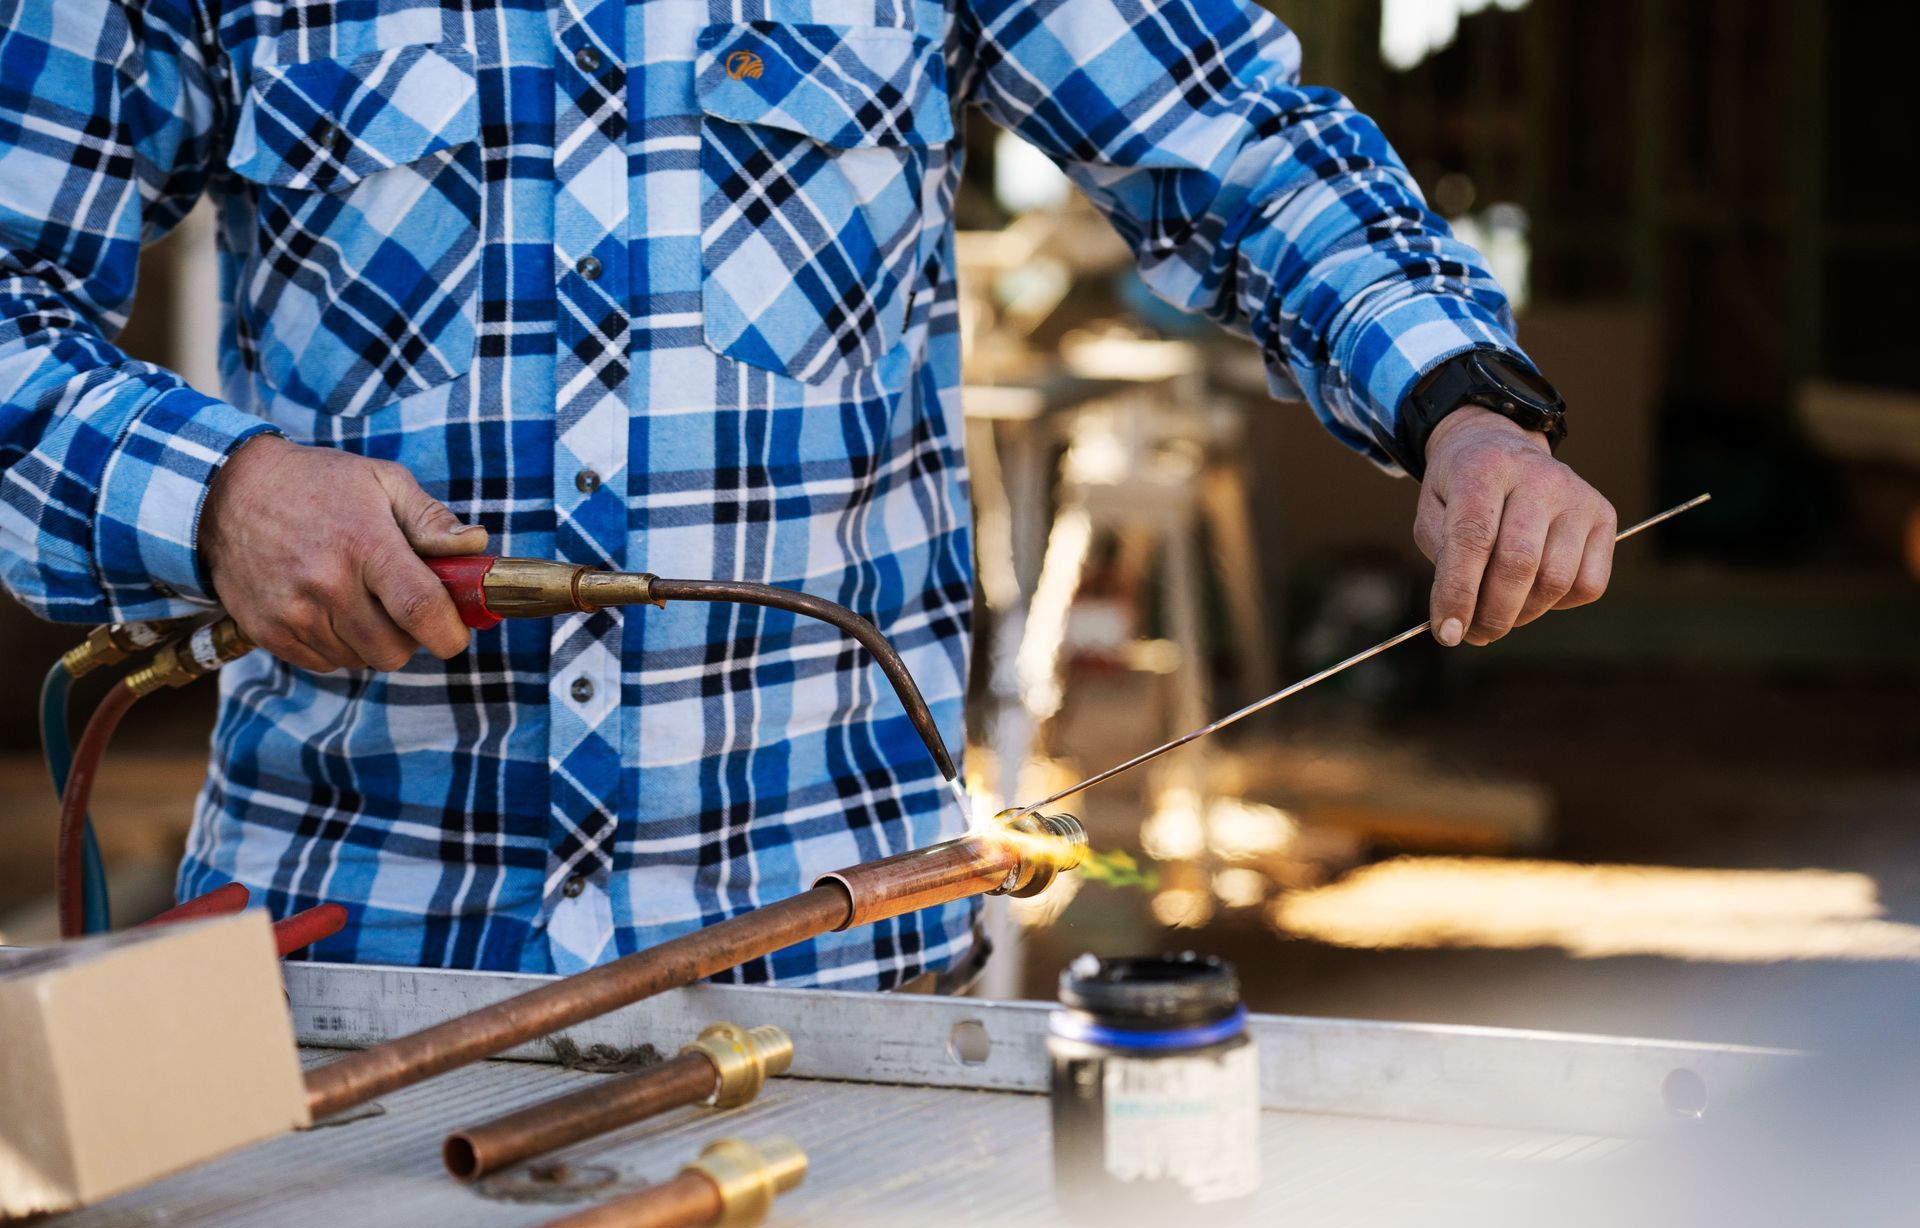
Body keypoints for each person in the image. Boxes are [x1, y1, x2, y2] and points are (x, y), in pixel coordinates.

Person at [0, 0, 1614, 985]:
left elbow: (1238, 142)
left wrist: (1460, 402)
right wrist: (216, 499)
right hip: (347, 939)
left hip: (835, 959)